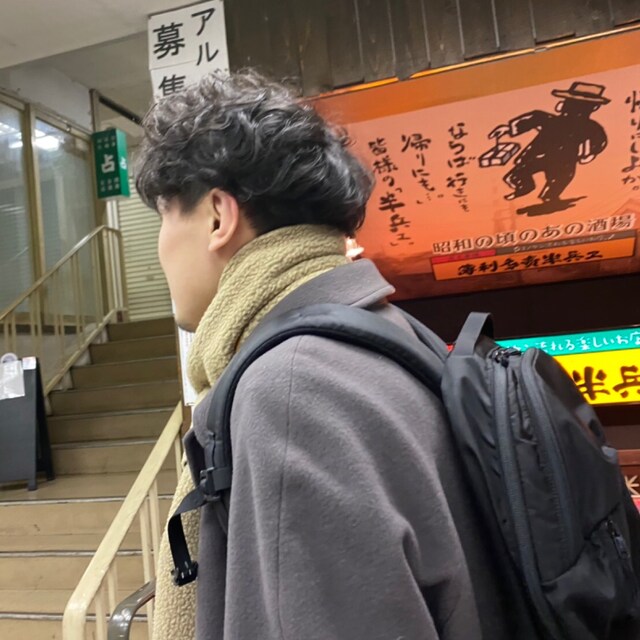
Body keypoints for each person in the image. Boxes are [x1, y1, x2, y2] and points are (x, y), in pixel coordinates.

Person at [135, 71, 509, 640]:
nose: (161, 248)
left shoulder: (291, 391)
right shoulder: (389, 335)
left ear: (216, 217)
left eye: (165, 216)